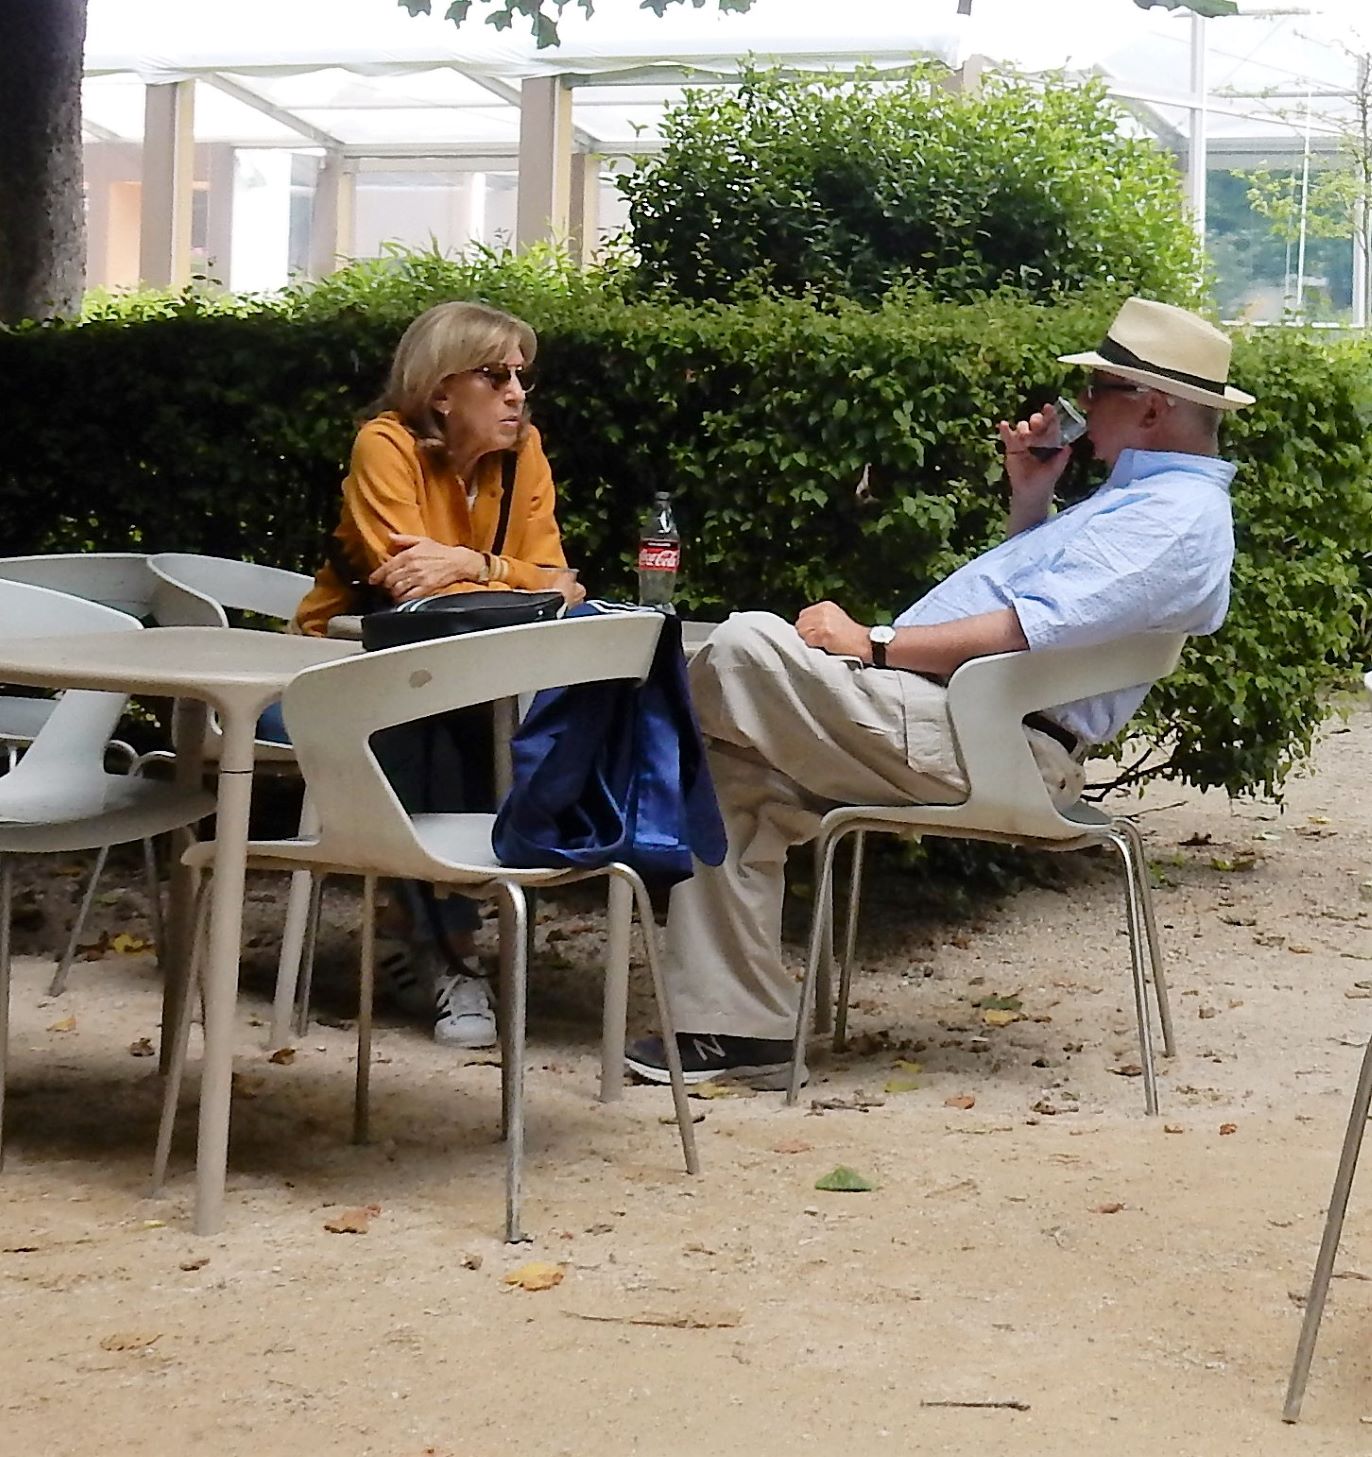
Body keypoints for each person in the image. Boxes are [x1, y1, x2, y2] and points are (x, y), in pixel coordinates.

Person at [625, 296, 1253, 1088]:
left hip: (992, 740)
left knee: (745, 646)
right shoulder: (1141, 501)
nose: (1082, 404)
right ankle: (738, 1031)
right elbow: (1053, 618)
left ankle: (612, 745)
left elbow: (1027, 628)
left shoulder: (1176, 516)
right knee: (728, 770)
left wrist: (874, 642)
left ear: (1152, 408)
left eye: (1098, 389)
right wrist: (1031, 496)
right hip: (960, 721)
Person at [293, 300, 583, 1049]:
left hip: (464, 676)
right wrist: (505, 579)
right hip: (329, 679)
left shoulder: (525, 454)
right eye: (496, 376)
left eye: (521, 375)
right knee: (428, 717)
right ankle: (452, 953)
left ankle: (420, 927)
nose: (516, 393)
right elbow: (407, 588)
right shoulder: (385, 446)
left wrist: (471, 563)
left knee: (531, 716)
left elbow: (561, 584)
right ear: (442, 390)